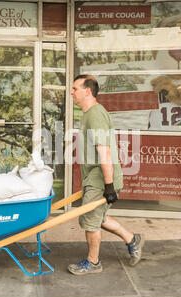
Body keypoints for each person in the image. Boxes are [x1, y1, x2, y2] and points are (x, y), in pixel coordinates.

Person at [68, 74, 145, 275]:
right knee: (98, 218)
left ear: (87, 91)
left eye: (75, 88)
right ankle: (132, 239)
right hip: (96, 177)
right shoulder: (89, 113)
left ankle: (93, 262)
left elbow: (105, 151)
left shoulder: (95, 114)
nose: (71, 92)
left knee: (91, 221)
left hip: (101, 179)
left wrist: (109, 185)